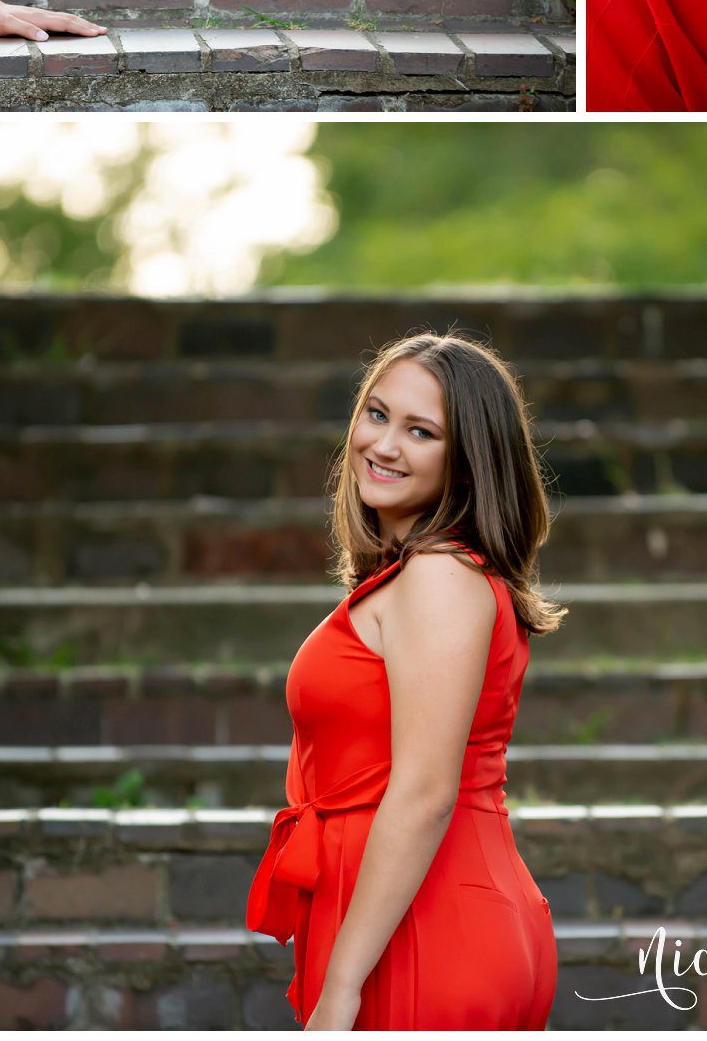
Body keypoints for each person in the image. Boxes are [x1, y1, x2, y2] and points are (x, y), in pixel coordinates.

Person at [246, 331, 563, 1031]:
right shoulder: (423, 575)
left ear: (468, 463)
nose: (384, 444)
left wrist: (342, 984)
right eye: (378, 413)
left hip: (425, 930)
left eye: (421, 430)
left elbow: (423, 791)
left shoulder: (440, 578)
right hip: (412, 918)